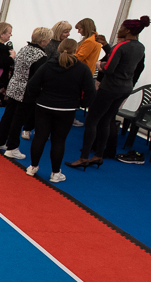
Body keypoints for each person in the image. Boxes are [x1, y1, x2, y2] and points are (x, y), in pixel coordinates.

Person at [67, 16, 150, 169]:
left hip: (110, 87)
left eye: (122, 27)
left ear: (128, 30)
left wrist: (100, 64)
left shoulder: (122, 46)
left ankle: (84, 157)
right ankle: (98, 155)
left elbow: (110, 68)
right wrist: (106, 46)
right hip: (125, 88)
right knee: (106, 120)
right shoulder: (140, 47)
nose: (120, 30)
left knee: (92, 121)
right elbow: (128, 63)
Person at [23, 39, 96, 183]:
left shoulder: (48, 65)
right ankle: (55, 173)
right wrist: (81, 104)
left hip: (44, 106)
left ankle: (32, 167)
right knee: (59, 141)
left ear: (59, 49)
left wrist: (38, 98)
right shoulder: (82, 69)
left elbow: (32, 84)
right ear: (76, 50)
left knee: (40, 137)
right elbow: (90, 91)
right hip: (67, 109)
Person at [0, 27, 50, 157]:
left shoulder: (24, 49)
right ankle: (12, 147)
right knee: (18, 119)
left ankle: (0, 141)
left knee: (8, 115)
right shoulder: (41, 56)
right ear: (43, 40)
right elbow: (38, 76)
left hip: (13, 86)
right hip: (26, 91)